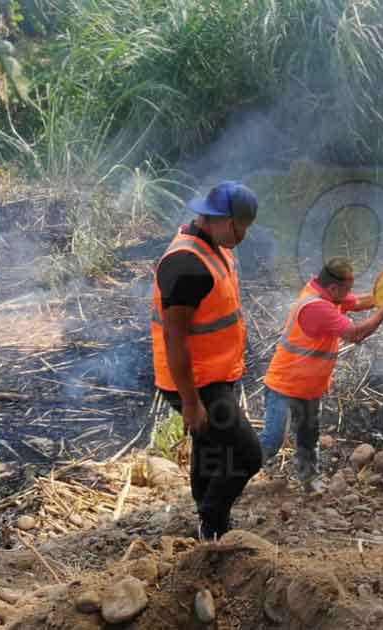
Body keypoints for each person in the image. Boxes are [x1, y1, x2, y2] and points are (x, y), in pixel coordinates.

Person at [150, 180, 262, 541]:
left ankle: (204, 515)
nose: (244, 234)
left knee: (210, 444)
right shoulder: (186, 265)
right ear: (223, 220)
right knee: (247, 455)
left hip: (213, 373)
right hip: (196, 382)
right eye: (241, 226)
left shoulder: (211, 244)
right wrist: (190, 402)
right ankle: (212, 524)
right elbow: (174, 337)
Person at [259, 257, 383, 489]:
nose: (350, 293)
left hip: (308, 387)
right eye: (347, 289)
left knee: (308, 438)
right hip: (284, 385)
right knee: (271, 442)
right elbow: (355, 334)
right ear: (333, 288)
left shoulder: (325, 292)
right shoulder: (317, 307)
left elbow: (358, 301)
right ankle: (235, 474)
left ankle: (309, 481)